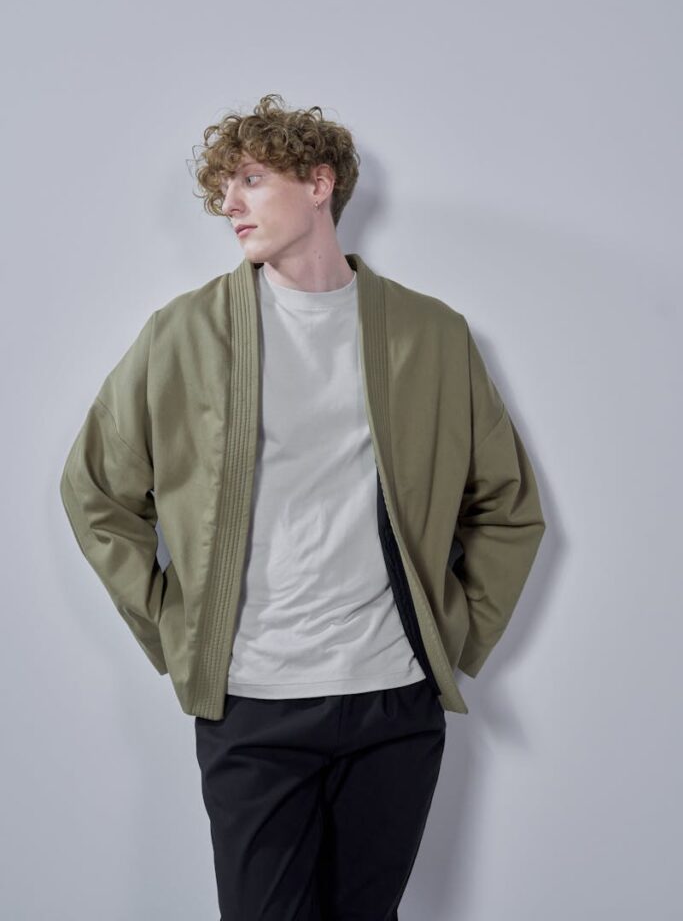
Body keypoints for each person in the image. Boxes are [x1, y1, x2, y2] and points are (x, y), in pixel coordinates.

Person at [59, 93, 546, 920]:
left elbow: (506, 505)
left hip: (394, 698)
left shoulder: (430, 336)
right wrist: (178, 629)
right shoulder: (182, 335)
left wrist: (454, 634)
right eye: (223, 186)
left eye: (251, 178)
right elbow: (96, 492)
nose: (229, 203)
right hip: (252, 702)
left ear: (320, 183)